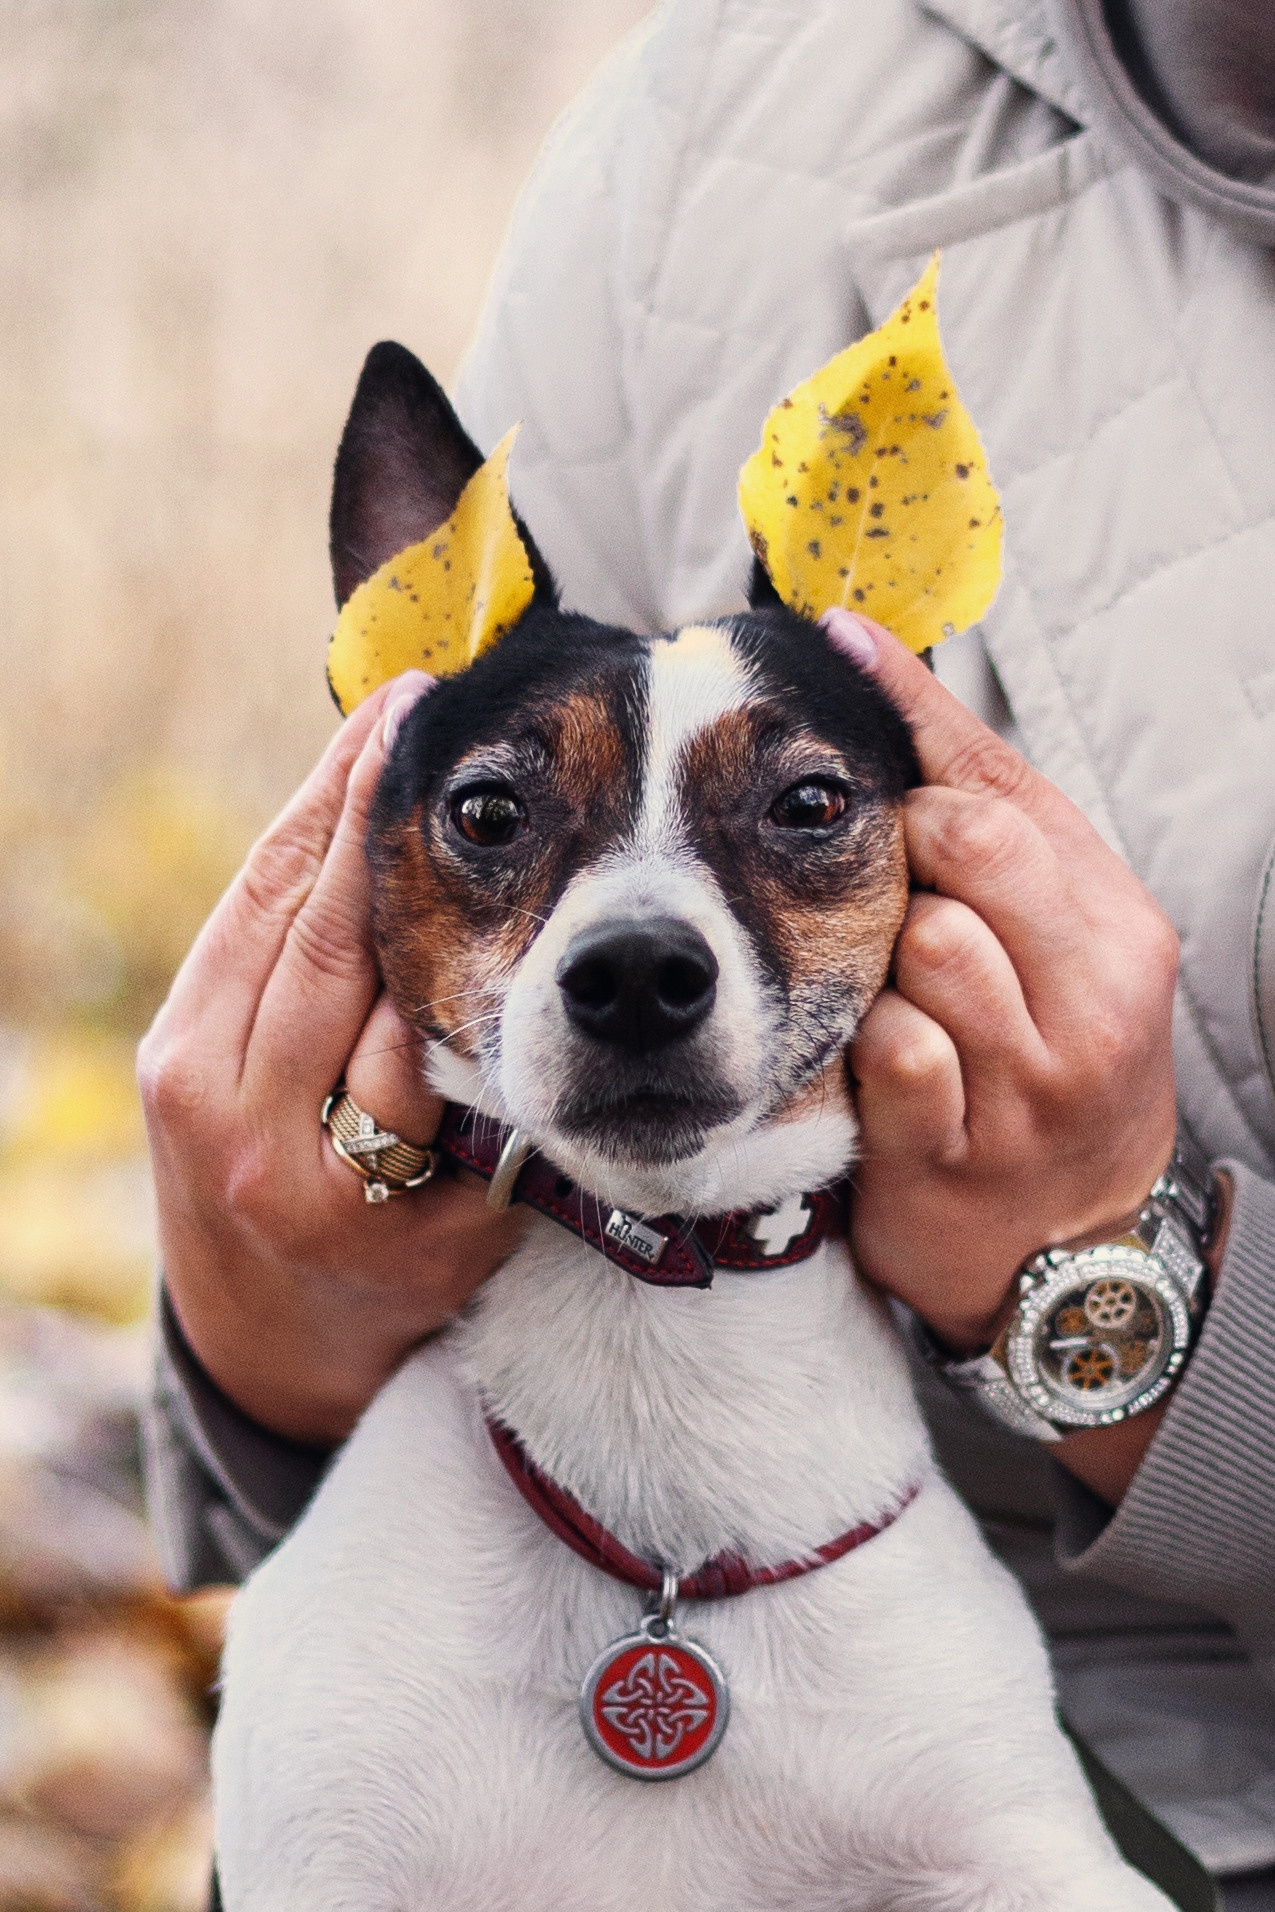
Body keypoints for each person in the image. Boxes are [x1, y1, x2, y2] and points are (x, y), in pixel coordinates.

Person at [138, 0, 1275, 1902]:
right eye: (503, 824)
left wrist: (1125, 1303)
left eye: (804, 812)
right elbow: (293, 1211)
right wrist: (261, 1317)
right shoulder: (713, 131)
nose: (641, 941)